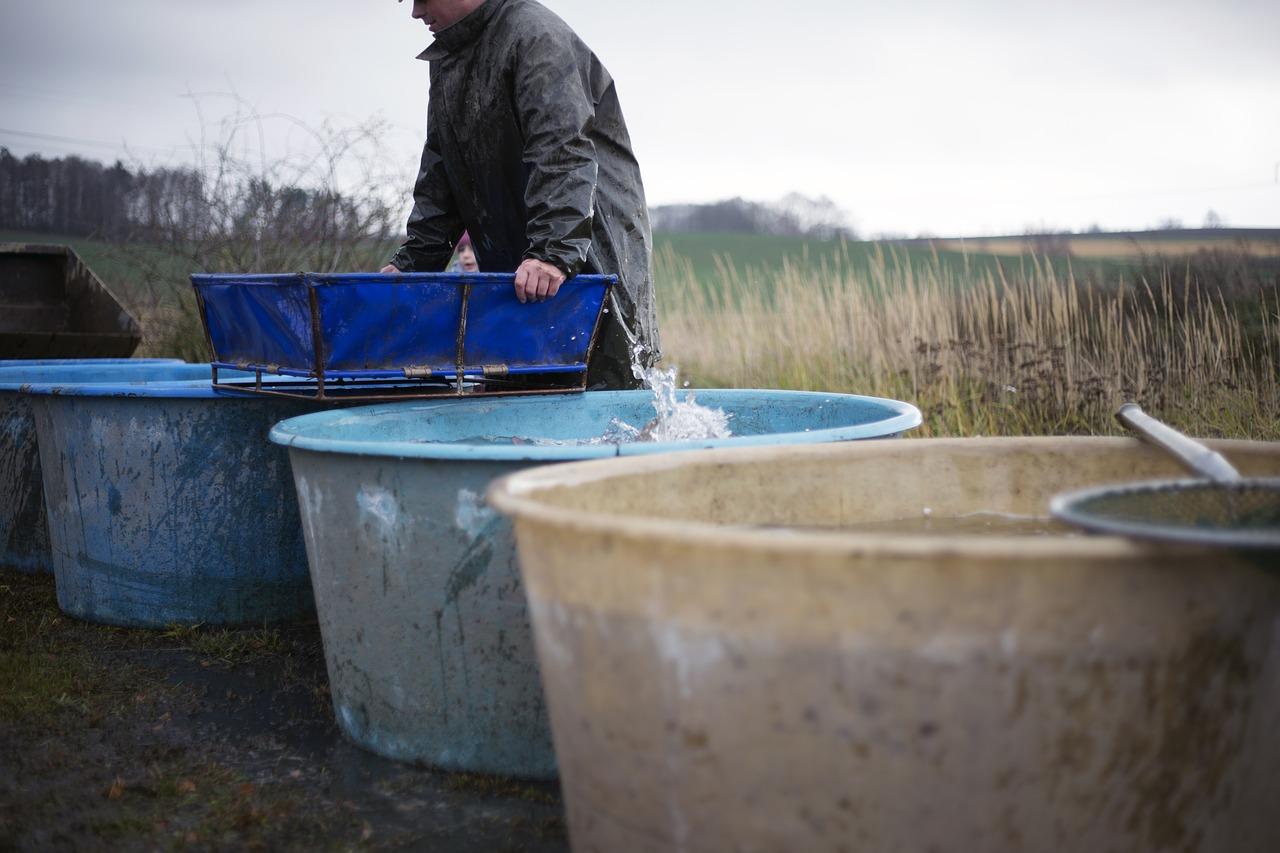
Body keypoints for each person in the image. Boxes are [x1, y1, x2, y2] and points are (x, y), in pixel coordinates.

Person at [381, 0, 659, 389]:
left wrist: (552, 253)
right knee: (521, 403)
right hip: (519, 278)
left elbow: (561, 151)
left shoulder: (535, 35)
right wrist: (411, 266)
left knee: (606, 401)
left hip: (586, 264)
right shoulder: (448, 56)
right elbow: (442, 171)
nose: (415, 11)